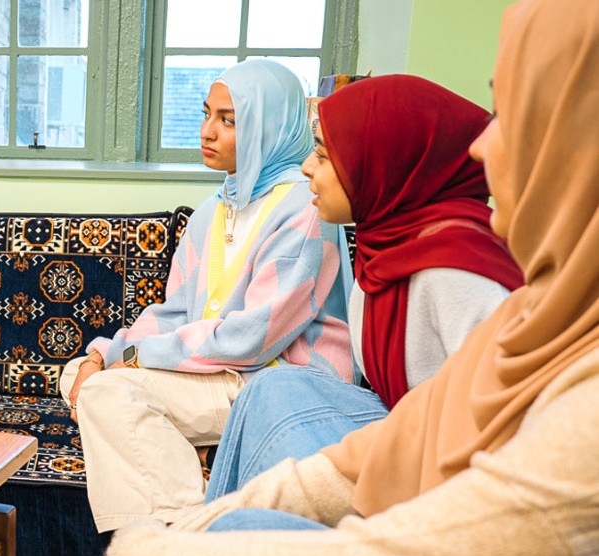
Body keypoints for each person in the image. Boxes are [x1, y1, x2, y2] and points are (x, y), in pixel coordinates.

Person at [105, 0, 599, 556]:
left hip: (425, 552)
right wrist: (188, 536)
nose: (480, 145)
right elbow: (398, 438)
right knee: (256, 436)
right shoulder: (537, 316)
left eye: (512, 113)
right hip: (390, 460)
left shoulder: (472, 289)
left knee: (245, 503)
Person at [62, 59, 352, 534]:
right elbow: (175, 312)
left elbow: (253, 339)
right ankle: (188, 488)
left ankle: (179, 536)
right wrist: (106, 351)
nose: (207, 132)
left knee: (107, 391)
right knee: (81, 373)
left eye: (228, 120)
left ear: (269, 126)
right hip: (216, 374)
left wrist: (131, 359)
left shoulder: (306, 209)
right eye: (206, 114)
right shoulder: (212, 212)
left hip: (274, 381)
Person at [203, 74, 523, 501]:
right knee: (272, 388)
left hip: (454, 474)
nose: (306, 168)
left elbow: (508, 425)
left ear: (380, 162)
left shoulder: (452, 268)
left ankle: (234, 548)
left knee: (284, 449)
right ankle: (226, 542)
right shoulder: (384, 250)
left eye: (322, 154)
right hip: (408, 433)